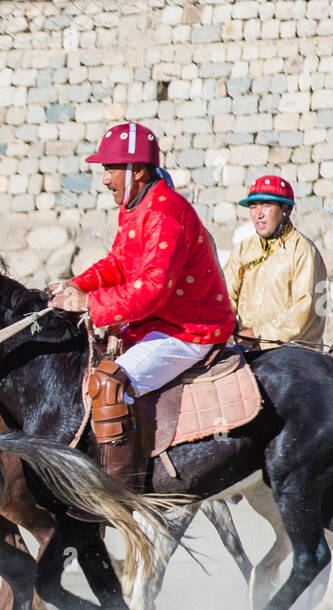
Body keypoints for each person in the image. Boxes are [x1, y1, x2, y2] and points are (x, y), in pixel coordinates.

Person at [47, 122, 236, 486]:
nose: (104, 179)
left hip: (190, 331)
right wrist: (74, 286)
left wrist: (89, 304)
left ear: (139, 170)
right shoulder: (135, 207)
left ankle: (119, 487)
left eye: (110, 169)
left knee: (107, 383)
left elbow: (152, 290)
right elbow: (117, 264)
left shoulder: (166, 213)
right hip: (159, 325)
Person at [222, 174, 328, 348]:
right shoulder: (243, 250)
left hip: (295, 353)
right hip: (248, 348)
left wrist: (258, 334)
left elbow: (305, 308)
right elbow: (225, 296)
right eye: (253, 206)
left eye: (266, 205)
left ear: (285, 208)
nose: (258, 214)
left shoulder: (303, 251)